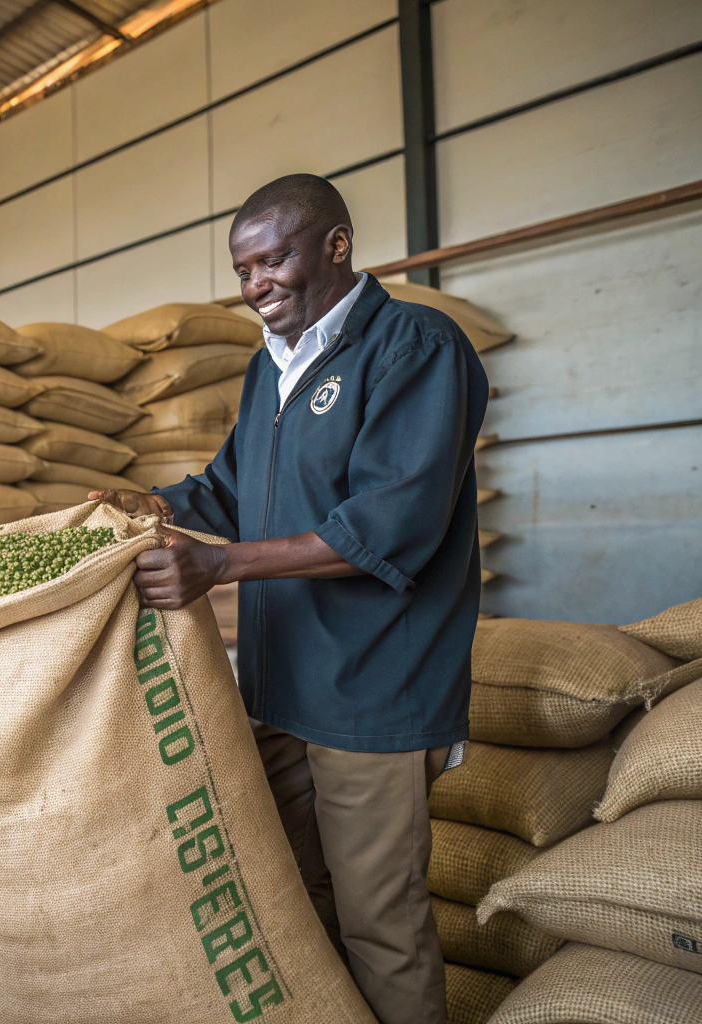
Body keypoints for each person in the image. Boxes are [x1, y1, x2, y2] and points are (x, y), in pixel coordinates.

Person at [93, 173, 487, 1024]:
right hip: (278, 689)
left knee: (380, 924)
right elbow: (231, 487)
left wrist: (220, 567)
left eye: (271, 260)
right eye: (242, 271)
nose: (254, 286)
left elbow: (392, 524)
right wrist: (151, 505)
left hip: (372, 692)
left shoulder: (413, 348)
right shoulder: (268, 370)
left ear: (336, 246)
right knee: (291, 900)